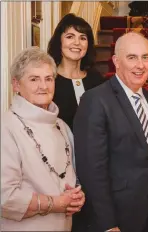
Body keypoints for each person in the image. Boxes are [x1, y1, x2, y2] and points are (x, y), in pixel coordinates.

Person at [73, 32, 148, 232]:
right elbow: (91, 169)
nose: (140, 65)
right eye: (132, 57)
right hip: (117, 219)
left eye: (145, 57)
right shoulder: (95, 100)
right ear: (116, 61)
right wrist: (107, 223)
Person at [1, 47, 85, 231]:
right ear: (16, 84)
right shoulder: (6, 127)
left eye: (48, 79)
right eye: (34, 79)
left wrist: (77, 196)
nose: (43, 86)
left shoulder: (61, 126)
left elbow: (71, 178)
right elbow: (5, 197)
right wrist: (56, 203)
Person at [48, 13, 105, 131]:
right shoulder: (49, 79)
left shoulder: (96, 79)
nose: (77, 43)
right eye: (70, 36)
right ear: (59, 41)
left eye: (83, 38)